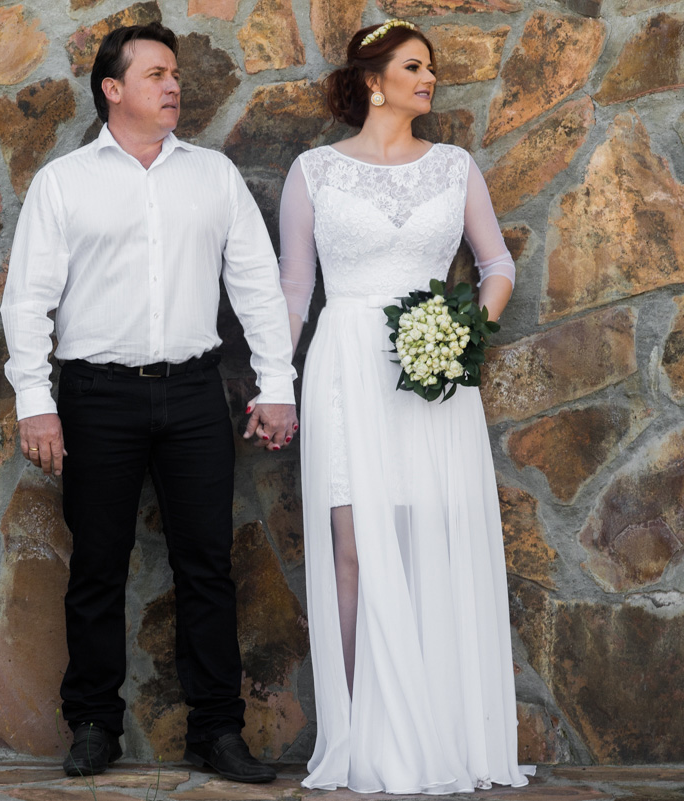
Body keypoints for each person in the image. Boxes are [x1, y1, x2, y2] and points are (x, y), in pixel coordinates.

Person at [0, 22, 298, 784]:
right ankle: (94, 723)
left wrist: (275, 385)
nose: (173, 86)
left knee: (207, 565)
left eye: (175, 74)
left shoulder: (213, 176)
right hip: (96, 396)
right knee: (97, 566)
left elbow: (258, 287)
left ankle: (216, 732)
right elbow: (27, 300)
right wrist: (37, 401)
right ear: (112, 88)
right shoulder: (65, 183)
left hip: (197, 392)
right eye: (157, 73)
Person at [273, 19, 535, 793]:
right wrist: (273, 381)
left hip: (433, 371)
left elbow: (497, 264)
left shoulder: (454, 167)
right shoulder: (313, 172)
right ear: (374, 80)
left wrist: (465, 333)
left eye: (432, 68)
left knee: (433, 539)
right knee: (352, 547)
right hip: (346, 364)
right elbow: (295, 290)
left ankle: (442, 729)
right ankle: (359, 735)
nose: (430, 79)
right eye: (415, 67)